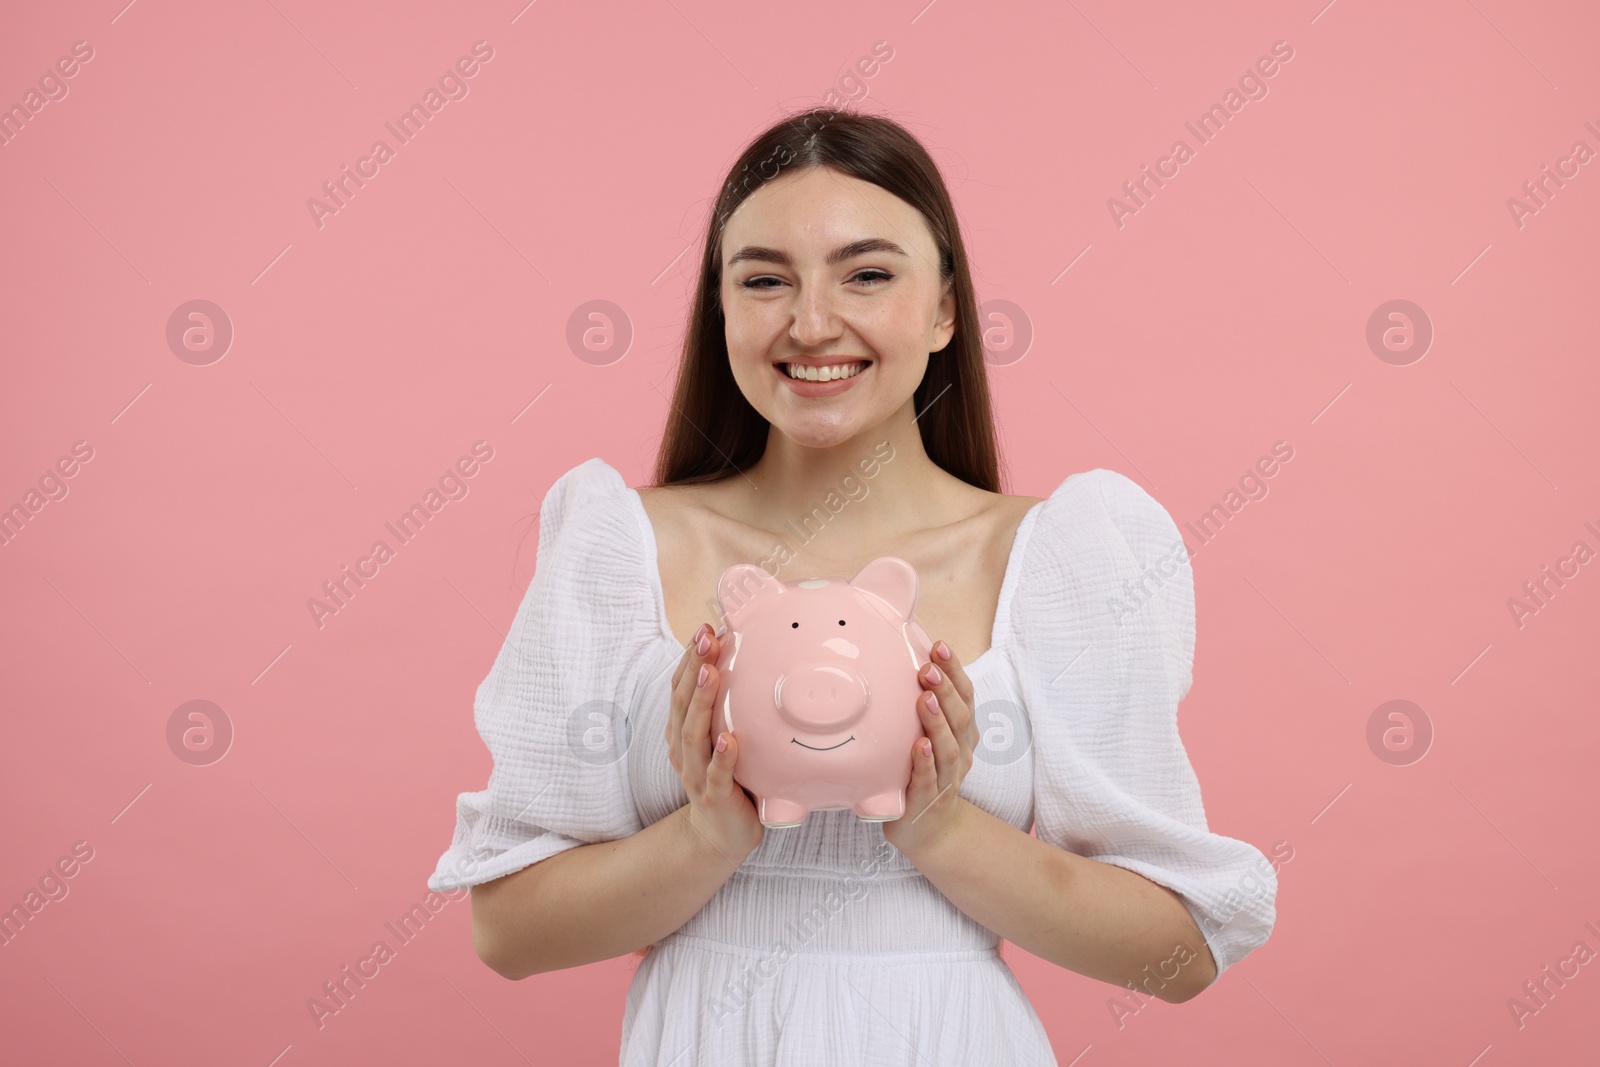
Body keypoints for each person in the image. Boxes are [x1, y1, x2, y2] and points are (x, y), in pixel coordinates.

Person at [427, 107, 1277, 1065]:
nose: (812, 323)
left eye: (867, 274)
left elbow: (1177, 953)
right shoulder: (618, 547)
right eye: (764, 280)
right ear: (719, 306)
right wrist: (710, 831)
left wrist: (936, 823)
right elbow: (507, 932)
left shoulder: (1056, 556)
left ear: (947, 308)